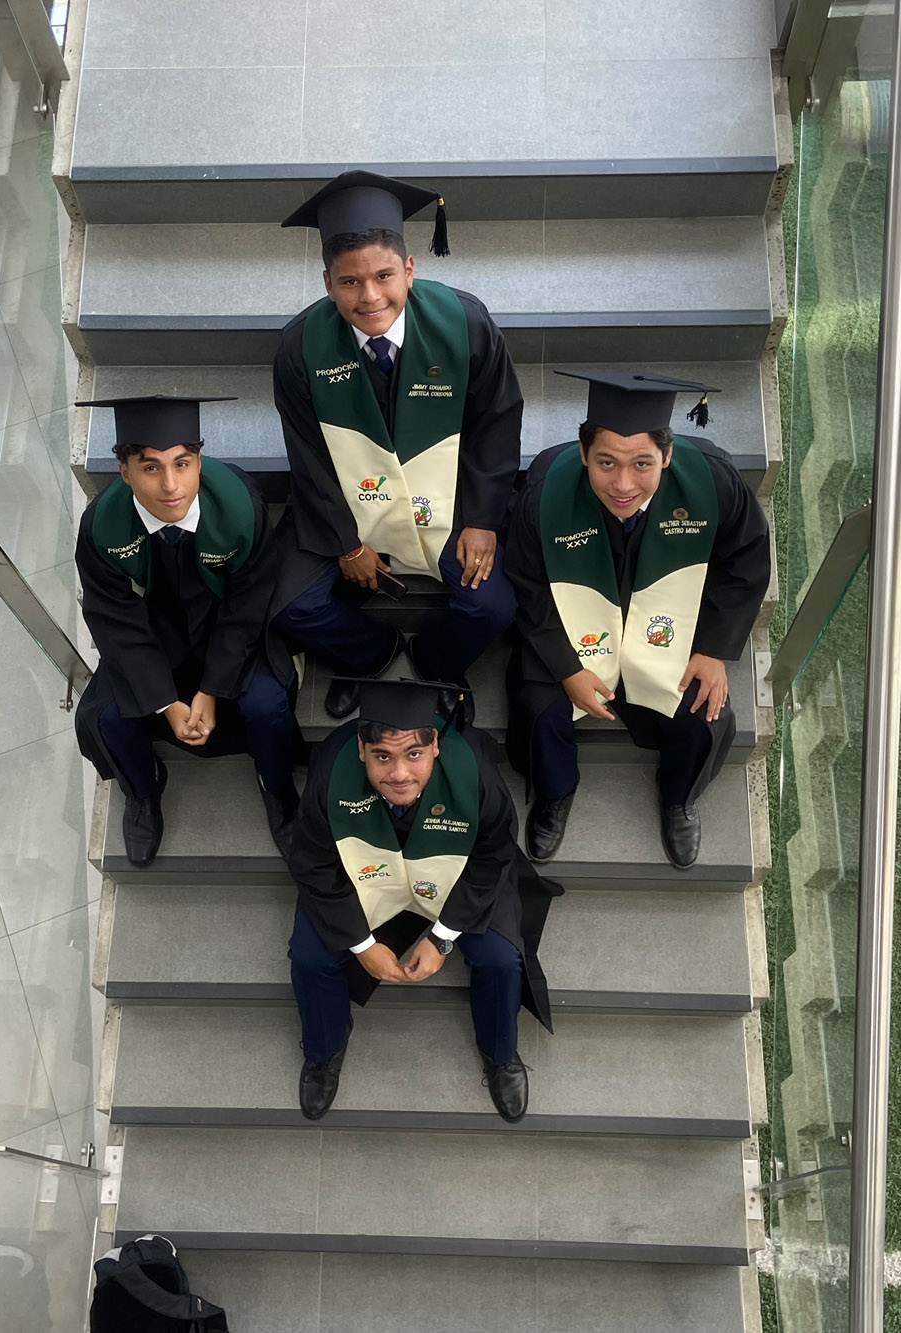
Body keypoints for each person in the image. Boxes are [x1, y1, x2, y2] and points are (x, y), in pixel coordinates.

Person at [271, 170, 523, 720]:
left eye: (384, 275)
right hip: (347, 498)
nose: (370, 297)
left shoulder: (464, 323)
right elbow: (308, 454)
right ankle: (369, 654)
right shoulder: (301, 347)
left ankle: (437, 662)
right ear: (327, 282)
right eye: (350, 282)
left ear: (409, 269)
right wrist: (346, 543)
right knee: (292, 606)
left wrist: (482, 518)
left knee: (491, 606)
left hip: (447, 498)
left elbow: (497, 421)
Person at [505, 371, 771, 868]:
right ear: (583, 454)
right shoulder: (546, 491)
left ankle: (678, 796)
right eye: (606, 462)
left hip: (667, 626)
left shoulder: (711, 482)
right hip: (575, 625)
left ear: (667, 456)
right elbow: (527, 584)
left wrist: (713, 649)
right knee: (539, 707)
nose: (623, 484)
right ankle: (554, 792)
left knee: (706, 712)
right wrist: (568, 668)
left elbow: (746, 562)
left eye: (642, 464)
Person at [286, 679, 555, 1122]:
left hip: (457, 877)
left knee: (500, 959)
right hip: (366, 877)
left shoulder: (474, 773)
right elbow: (313, 863)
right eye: (382, 756)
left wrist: (442, 937)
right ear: (361, 750)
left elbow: (492, 856)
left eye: (413, 754)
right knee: (310, 957)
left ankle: (500, 1052)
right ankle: (323, 1050)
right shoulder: (331, 774)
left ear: (435, 747)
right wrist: (362, 946)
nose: (399, 774)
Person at [73, 394, 300, 867]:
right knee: (109, 717)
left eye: (182, 463)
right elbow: (114, 619)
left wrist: (212, 689)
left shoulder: (236, 505)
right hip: (151, 639)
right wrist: (165, 700)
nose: (171, 485)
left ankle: (277, 787)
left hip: (226, 632)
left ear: (199, 461)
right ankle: (144, 789)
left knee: (267, 703)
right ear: (124, 472)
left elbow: (249, 602)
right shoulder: (103, 527)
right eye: (150, 468)